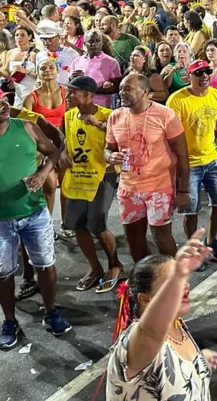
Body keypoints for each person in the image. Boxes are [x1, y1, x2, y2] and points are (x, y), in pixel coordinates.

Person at [0, 87, 71, 349]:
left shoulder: (25, 126)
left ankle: (51, 311)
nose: (5, 106)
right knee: (2, 274)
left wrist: (43, 172)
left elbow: (53, 152)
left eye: (5, 101)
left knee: (45, 265)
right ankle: (10, 321)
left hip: (35, 213)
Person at [105, 232, 217, 400]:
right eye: (170, 283)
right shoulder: (139, 342)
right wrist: (178, 275)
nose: (185, 286)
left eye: (184, 279)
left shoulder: (175, 324)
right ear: (145, 298)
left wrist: (198, 365)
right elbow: (149, 333)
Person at [106, 73, 190, 262]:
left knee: (162, 237)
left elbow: (183, 155)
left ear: (145, 92)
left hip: (159, 188)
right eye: (121, 89)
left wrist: (183, 190)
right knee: (134, 238)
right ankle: (144, 280)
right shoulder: (115, 117)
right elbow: (107, 149)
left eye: (128, 89)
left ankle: (172, 280)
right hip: (128, 189)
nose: (122, 93)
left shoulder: (165, 115)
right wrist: (110, 156)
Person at [166, 59, 217, 263]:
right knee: (191, 211)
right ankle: (193, 249)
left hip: (212, 158)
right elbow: (173, 137)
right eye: (199, 73)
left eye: (207, 71)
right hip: (188, 164)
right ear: (189, 76)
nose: (204, 75)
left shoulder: (216, 96)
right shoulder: (177, 100)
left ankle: (211, 240)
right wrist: (178, 167)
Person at [62, 76, 122, 294]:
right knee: (76, 223)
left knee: (97, 224)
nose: (67, 96)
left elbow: (120, 140)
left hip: (101, 176)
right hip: (78, 176)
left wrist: (98, 124)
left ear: (87, 94)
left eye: (72, 92)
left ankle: (115, 264)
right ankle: (95, 267)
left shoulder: (108, 116)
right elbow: (64, 142)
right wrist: (61, 155)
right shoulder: (68, 116)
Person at [70, 29, 122, 108]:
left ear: (102, 43)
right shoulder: (76, 61)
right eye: (91, 41)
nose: (95, 44)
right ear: (84, 43)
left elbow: (117, 87)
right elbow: (70, 84)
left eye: (98, 41)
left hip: (101, 108)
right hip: (79, 107)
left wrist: (92, 90)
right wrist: (72, 79)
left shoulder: (112, 62)